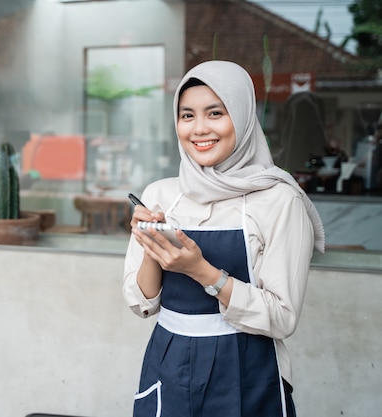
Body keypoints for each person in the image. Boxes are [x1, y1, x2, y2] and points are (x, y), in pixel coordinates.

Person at [123, 61, 325, 417]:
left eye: (215, 113)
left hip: (247, 369)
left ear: (243, 117)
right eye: (187, 116)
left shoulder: (280, 200)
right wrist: (152, 245)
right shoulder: (160, 193)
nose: (199, 129)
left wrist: (202, 271)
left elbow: (282, 317)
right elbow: (142, 304)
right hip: (167, 363)